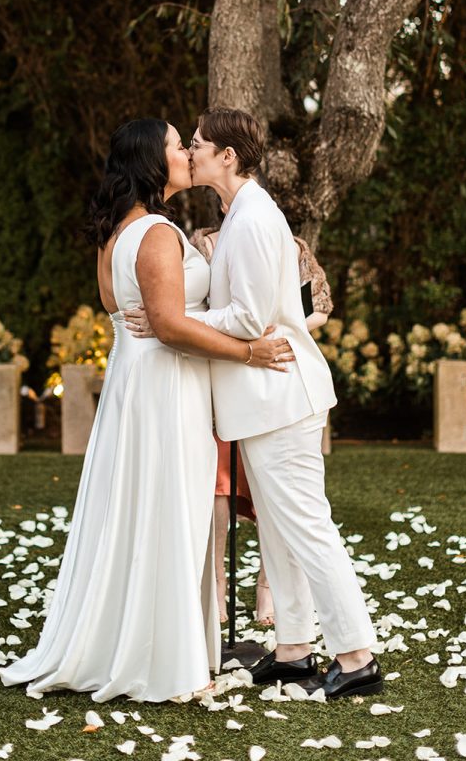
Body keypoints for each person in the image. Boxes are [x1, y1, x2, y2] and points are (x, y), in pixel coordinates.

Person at [0, 118, 294, 704]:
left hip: (137, 384)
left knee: (143, 510)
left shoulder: (118, 232)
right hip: (165, 385)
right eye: (178, 145)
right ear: (153, 163)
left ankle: (142, 644)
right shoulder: (155, 231)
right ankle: (164, 661)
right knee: (171, 511)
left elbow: (152, 318)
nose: (188, 152)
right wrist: (249, 351)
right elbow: (168, 327)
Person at [128, 108, 382, 700]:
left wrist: (174, 319)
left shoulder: (253, 219)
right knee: (281, 532)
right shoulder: (239, 213)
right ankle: (293, 650)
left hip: (281, 397)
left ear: (228, 156)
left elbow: (249, 319)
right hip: (265, 400)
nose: (189, 153)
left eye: (198, 144)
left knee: (307, 526)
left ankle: (357, 656)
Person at [191, 203, 333, 627]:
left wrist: (284, 329)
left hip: (277, 369)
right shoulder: (204, 245)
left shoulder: (295, 248)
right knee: (219, 485)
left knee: (277, 492)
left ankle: (268, 587)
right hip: (222, 373)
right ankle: (216, 584)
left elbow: (320, 306)